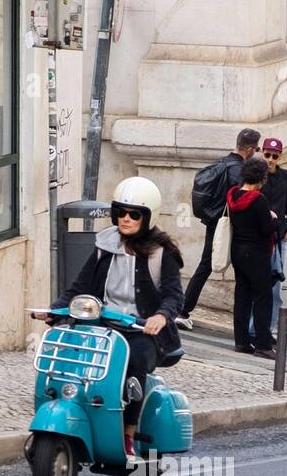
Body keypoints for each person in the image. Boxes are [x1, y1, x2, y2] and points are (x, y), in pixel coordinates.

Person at [35, 177, 184, 460]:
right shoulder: (105, 245)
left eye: (134, 214)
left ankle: (128, 434)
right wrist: (55, 310)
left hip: (143, 332)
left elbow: (174, 296)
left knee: (134, 363)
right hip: (104, 328)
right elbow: (80, 287)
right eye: (120, 212)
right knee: (71, 356)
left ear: (147, 216)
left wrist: (161, 317)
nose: (125, 219)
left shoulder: (160, 253)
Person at [177, 128, 260, 330]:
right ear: (249, 149)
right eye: (256, 149)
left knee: (205, 266)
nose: (255, 153)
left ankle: (183, 311)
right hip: (232, 227)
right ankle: (249, 327)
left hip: (215, 223)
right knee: (246, 273)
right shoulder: (240, 171)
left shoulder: (221, 163)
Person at [227, 157, 277, 359]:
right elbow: (267, 229)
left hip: (237, 250)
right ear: (261, 178)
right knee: (263, 297)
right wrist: (275, 219)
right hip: (256, 253)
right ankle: (263, 344)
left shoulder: (233, 195)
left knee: (242, 295)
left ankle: (241, 341)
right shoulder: (258, 200)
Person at [257, 137, 287, 334]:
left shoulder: (286, 177)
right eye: (267, 155)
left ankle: (270, 328)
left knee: (275, 287)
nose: (270, 159)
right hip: (259, 236)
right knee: (257, 285)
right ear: (262, 153)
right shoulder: (256, 175)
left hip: (279, 237)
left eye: (274, 156)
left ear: (280, 156)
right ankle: (255, 328)